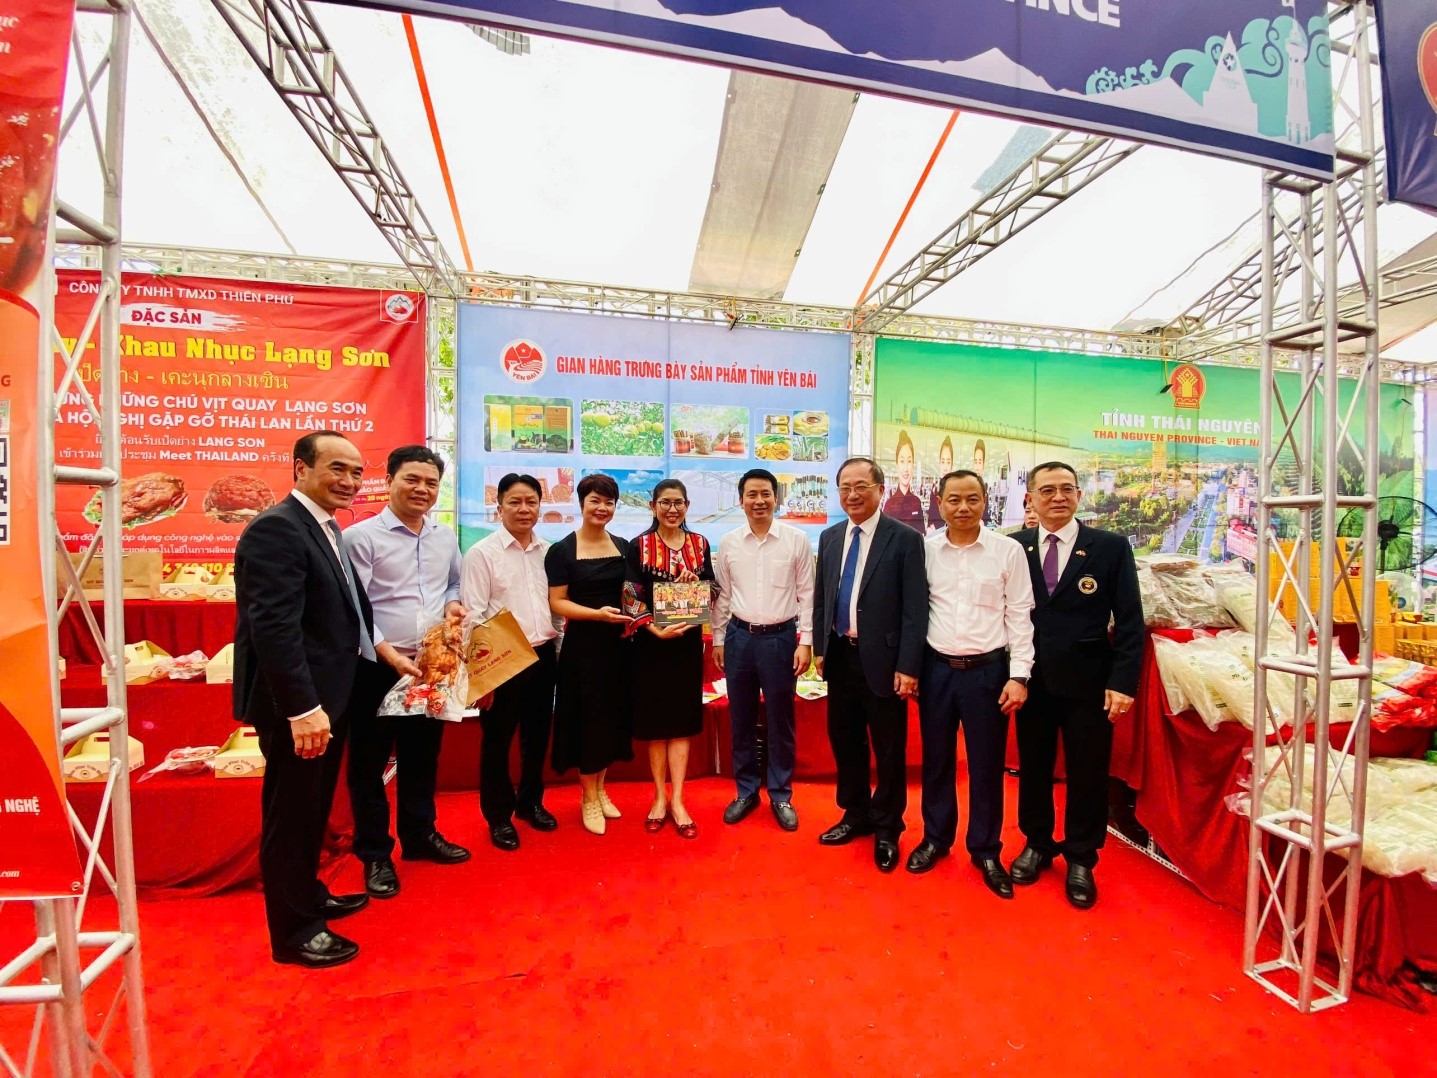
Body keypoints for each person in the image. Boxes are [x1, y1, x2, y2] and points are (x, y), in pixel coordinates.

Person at [233, 430, 386, 968]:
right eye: (336, 468)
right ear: (300, 468)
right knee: (292, 816)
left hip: (331, 697)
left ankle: (309, 895)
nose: (349, 481)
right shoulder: (276, 528)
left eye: (356, 472)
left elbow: (343, 611)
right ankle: (295, 932)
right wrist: (302, 709)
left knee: (314, 808)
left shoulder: (323, 526)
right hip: (300, 707)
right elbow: (274, 628)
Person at [1010, 461, 1143, 909]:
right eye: (1047, 490)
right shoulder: (1015, 546)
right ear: (1030, 497)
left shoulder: (1108, 547)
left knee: (1088, 772)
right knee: (1034, 767)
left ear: (1079, 496)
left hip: (1090, 682)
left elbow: (1130, 620)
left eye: (1067, 489)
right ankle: (1037, 843)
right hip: (1031, 680)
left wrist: (1124, 682)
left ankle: (1082, 857)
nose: (1058, 497)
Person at [344, 446, 470, 900]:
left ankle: (419, 836)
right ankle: (375, 853)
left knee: (422, 755)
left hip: (431, 665)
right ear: (389, 481)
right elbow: (353, 608)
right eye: (411, 479)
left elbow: (453, 583)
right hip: (376, 667)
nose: (422, 489)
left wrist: (453, 606)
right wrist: (387, 654)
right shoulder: (360, 538)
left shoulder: (443, 536)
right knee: (369, 764)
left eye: (431, 482)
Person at [907, 470, 1034, 899]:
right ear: (940, 503)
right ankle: (935, 838)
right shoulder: (924, 550)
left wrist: (1019, 675)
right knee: (937, 761)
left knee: (985, 765)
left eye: (972, 499)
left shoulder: (1007, 551)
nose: (963, 507)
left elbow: (1020, 616)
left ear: (984, 502)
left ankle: (985, 849)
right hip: (936, 670)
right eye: (954, 499)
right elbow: (913, 614)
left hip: (988, 673)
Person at [812, 457, 928, 872]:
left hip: (885, 661)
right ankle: (855, 813)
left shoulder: (905, 538)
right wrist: (821, 648)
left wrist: (909, 665)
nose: (853, 495)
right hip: (840, 655)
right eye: (845, 487)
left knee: (889, 747)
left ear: (880, 489)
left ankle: (887, 827)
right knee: (845, 741)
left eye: (861, 486)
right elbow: (823, 597)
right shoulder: (830, 537)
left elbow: (915, 608)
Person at [461, 473, 562, 850]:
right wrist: (479, 677)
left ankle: (530, 802)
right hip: (501, 659)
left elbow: (555, 609)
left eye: (531, 502)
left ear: (540, 506)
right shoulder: (482, 554)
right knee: (497, 741)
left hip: (542, 655)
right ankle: (499, 815)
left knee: (537, 737)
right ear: (498, 506)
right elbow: (471, 615)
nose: (524, 509)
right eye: (515, 502)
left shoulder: (549, 551)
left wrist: (559, 649)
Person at [712, 468, 814, 832]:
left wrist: (806, 641)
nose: (759, 501)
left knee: (780, 719)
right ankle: (746, 791)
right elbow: (723, 595)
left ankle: (781, 793)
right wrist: (719, 638)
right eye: (752, 495)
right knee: (740, 717)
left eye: (766, 494)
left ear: (776, 498)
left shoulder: (796, 540)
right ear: (741, 500)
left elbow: (808, 594)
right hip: (739, 638)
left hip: (780, 639)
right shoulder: (729, 542)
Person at [623, 478, 715, 839]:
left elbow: (712, 588)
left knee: (680, 723)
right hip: (650, 646)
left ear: (687, 506)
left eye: (678, 503)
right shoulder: (639, 546)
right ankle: (658, 798)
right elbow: (630, 595)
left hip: (686, 646)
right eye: (665, 503)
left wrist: (695, 585)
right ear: (653, 506)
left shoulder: (700, 544)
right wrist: (652, 628)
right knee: (655, 724)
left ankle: (678, 799)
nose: (672, 509)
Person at [546, 473, 634, 835]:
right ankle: (588, 796)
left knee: (611, 719)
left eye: (608, 502)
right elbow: (557, 601)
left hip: (619, 646)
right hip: (583, 648)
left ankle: (601, 788)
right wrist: (596, 615)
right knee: (588, 721)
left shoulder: (624, 546)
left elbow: (634, 592)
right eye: (594, 501)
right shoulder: (562, 550)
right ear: (581, 504)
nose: (602, 508)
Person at [883, 430, 924, 533]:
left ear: (913, 464)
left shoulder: (916, 501)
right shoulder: (889, 504)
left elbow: (922, 534)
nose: (906, 468)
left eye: (909, 461)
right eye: (902, 461)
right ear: (896, 465)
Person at [926, 436, 954, 532]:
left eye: (948, 462)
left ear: (952, 464)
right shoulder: (934, 490)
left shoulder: (957, 490)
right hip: (937, 534)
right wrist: (930, 528)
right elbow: (930, 517)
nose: (945, 467)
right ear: (939, 463)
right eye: (943, 462)